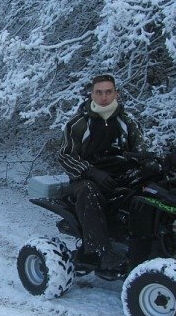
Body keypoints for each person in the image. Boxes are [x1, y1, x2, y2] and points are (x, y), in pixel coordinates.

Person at [57, 74, 144, 270]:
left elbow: (141, 152)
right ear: (92, 94)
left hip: (121, 176)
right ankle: (100, 251)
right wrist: (91, 171)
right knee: (89, 191)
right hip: (85, 179)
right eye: (99, 92)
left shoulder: (128, 122)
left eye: (108, 92)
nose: (104, 97)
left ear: (116, 94)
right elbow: (65, 155)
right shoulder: (78, 123)